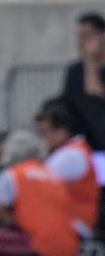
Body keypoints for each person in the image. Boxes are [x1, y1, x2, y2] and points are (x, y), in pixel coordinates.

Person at [35, 98, 100, 231]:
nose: (43, 139)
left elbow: (31, 183)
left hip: (72, 225)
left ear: (62, 131)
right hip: (69, 221)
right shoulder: (73, 149)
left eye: (45, 133)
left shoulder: (70, 155)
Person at [61, 12, 105, 153]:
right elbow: (67, 104)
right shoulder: (75, 71)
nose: (82, 42)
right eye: (79, 37)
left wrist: (91, 63)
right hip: (83, 147)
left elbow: (95, 93)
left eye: (87, 36)